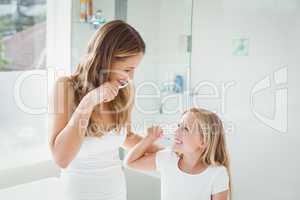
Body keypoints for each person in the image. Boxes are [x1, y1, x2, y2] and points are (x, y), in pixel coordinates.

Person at [49, 20, 161, 200]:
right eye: (127, 69)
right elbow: (61, 159)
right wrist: (89, 102)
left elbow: (128, 137)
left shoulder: (124, 91)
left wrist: (169, 153)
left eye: (134, 69)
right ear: (105, 60)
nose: (131, 76)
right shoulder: (66, 87)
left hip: (115, 191)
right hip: (78, 193)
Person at [125, 107, 232, 200]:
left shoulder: (217, 173)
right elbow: (130, 162)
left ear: (204, 141)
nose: (176, 132)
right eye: (179, 126)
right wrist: (149, 138)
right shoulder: (168, 158)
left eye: (185, 128)